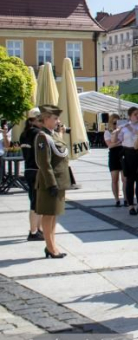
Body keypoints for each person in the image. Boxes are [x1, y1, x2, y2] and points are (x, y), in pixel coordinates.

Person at [35, 105, 70, 258]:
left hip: (59, 180)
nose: (58, 121)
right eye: (55, 118)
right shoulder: (42, 137)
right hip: (50, 182)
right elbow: (44, 163)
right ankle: (50, 247)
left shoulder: (54, 135)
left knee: (54, 214)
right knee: (48, 215)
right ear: (45, 119)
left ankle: (52, 245)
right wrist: (51, 183)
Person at [20, 109, 44, 241]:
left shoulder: (24, 134)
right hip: (37, 170)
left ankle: (37, 230)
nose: (42, 122)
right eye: (39, 120)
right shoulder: (38, 134)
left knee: (35, 201)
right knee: (36, 203)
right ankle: (34, 231)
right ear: (32, 120)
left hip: (29, 169)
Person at [118, 107, 138, 215]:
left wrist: (131, 129)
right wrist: (116, 132)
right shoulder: (124, 127)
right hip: (128, 153)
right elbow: (117, 140)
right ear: (130, 116)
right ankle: (130, 206)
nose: (137, 116)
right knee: (129, 181)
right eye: (135, 114)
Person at [104, 114, 124, 207]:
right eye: (115, 122)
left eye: (118, 122)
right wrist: (116, 135)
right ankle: (117, 199)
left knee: (125, 179)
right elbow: (110, 145)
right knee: (114, 178)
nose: (116, 124)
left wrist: (116, 143)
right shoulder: (108, 132)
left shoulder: (123, 131)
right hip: (114, 154)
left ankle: (126, 198)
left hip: (123, 153)